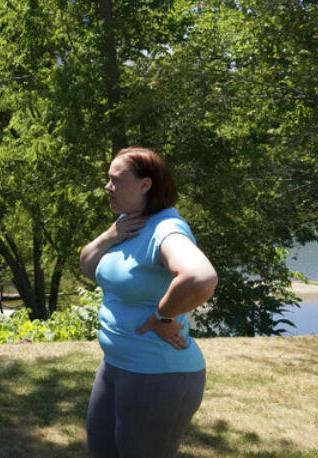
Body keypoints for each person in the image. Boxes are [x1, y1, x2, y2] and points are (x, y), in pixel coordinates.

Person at [80, 147, 218, 458]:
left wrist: (164, 317)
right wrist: (110, 235)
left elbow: (200, 277)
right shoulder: (129, 225)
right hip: (115, 366)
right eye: (108, 180)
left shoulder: (166, 230)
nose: (107, 187)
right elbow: (89, 268)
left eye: (116, 180)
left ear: (146, 185)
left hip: (156, 372)